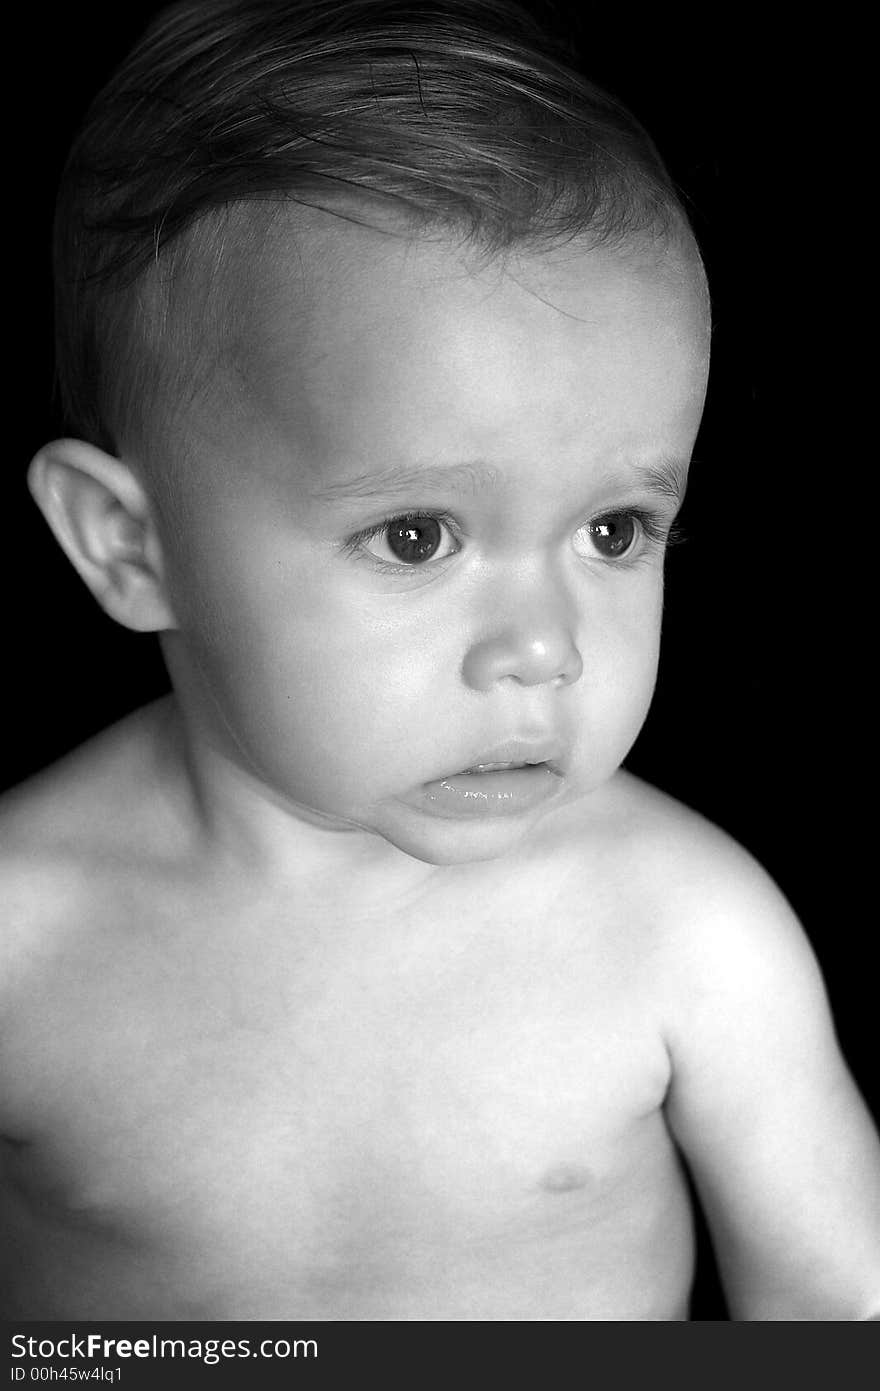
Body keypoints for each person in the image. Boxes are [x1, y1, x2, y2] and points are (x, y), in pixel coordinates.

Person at [2, 0, 878, 1322]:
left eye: (614, 528)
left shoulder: (685, 930)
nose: (546, 646)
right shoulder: (23, 935)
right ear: (133, 547)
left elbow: (836, 1302)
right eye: (418, 536)